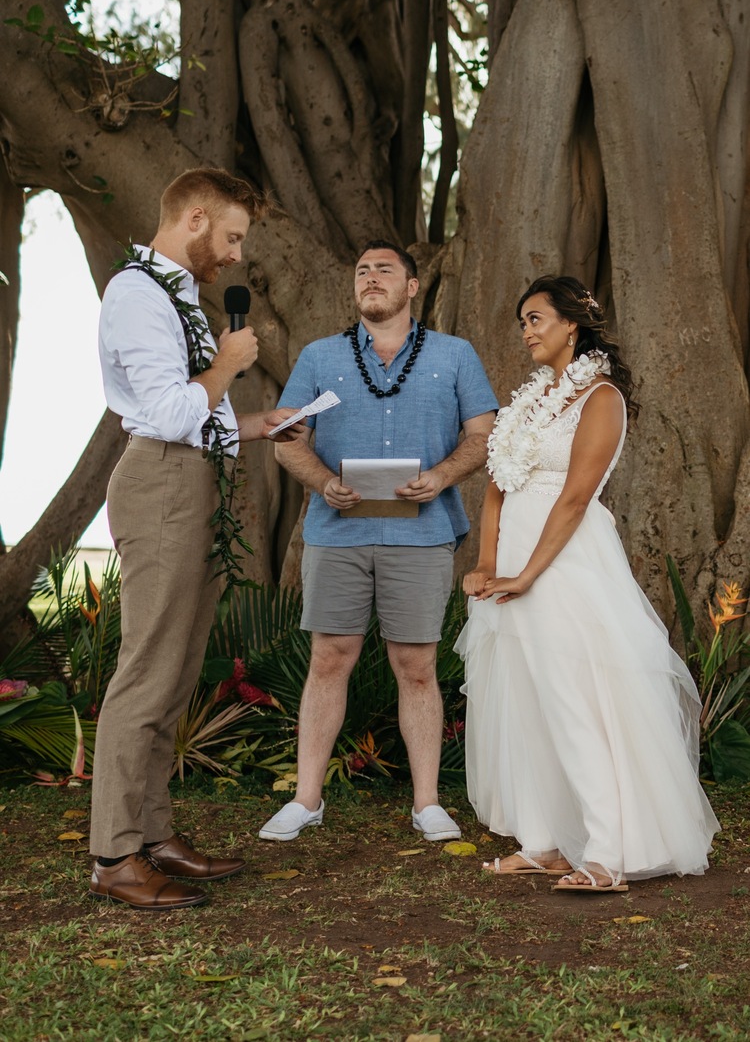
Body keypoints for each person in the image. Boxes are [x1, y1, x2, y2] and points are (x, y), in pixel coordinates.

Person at [456, 275, 719, 892]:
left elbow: (575, 498)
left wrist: (528, 574)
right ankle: (544, 841)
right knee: (526, 699)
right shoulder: (527, 402)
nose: (526, 331)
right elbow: (496, 483)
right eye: (521, 321)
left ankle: (605, 850)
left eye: (536, 319)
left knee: (575, 699)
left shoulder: (600, 397)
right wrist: (488, 564)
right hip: (514, 562)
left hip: (565, 561)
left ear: (572, 324)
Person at [89, 167, 303, 910]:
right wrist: (226, 365)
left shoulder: (176, 292)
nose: (238, 255)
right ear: (196, 219)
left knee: (177, 669)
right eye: (234, 236)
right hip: (161, 485)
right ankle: (114, 853)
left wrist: (255, 424)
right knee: (147, 667)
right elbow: (170, 412)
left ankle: (153, 836)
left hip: (194, 476)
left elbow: (194, 412)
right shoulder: (136, 294)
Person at [258, 241, 498, 843]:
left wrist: (441, 476)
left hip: (422, 535)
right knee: (328, 658)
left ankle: (426, 804)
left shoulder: (454, 355)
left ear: (411, 287)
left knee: (416, 666)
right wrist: (325, 481)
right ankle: (306, 799)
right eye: (361, 270)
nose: (370, 278)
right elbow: (287, 436)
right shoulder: (320, 356)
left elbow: (483, 433)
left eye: (383, 270)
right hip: (337, 532)